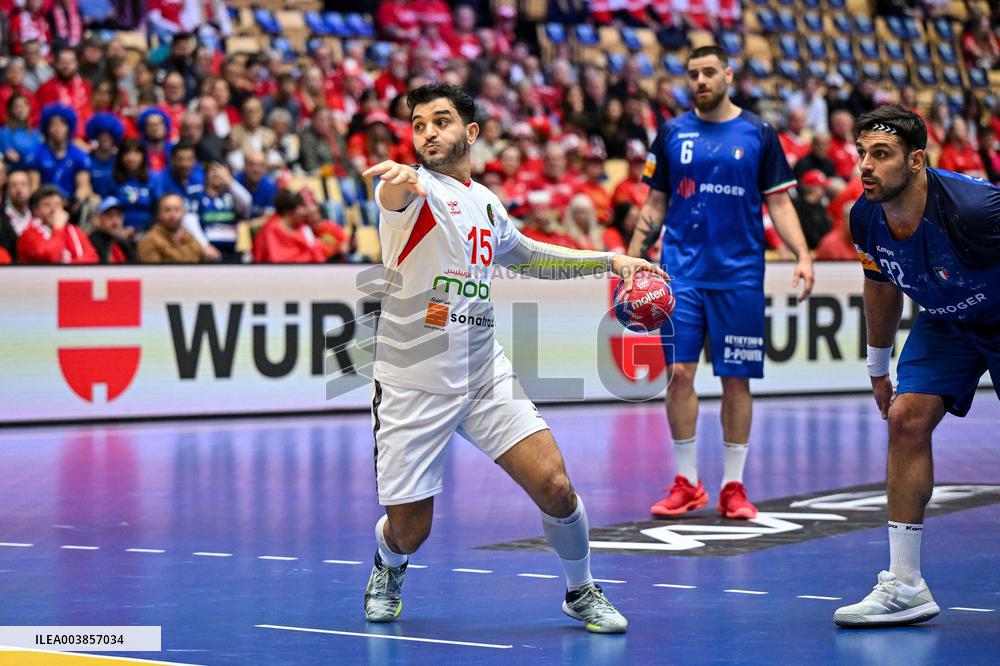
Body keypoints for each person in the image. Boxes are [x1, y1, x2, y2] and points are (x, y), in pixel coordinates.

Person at [359, 83, 664, 634]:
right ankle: (390, 562)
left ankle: (580, 589)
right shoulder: (413, 191)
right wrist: (397, 185)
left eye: (441, 121)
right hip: (413, 379)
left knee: (555, 486)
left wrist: (609, 260)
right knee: (412, 529)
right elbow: (394, 198)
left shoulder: (486, 202)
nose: (428, 132)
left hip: (482, 371)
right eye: (419, 123)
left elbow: (528, 256)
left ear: (470, 133)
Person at [630, 46, 814, 520]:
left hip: (739, 274)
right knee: (680, 374)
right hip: (682, 272)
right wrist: (631, 259)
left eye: (709, 72)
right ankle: (687, 482)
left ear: (728, 74)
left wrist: (803, 253)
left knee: (736, 380)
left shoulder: (759, 132)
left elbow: (780, 204)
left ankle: (733, 485)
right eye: (693, 74)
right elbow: (654, 204)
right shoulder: (671, 132)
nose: (701, 80)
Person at [834, 105, 1000, 627]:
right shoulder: (864, 216)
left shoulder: (977, 209)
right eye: (861, 153)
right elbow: (880, 286)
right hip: (949, 321)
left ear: (916, 161)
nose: (866, 165)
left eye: (880, 155)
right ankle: (906, 586)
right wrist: (878, 366)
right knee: (905, 419)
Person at [17, 185, 98, 264]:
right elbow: (51, 258)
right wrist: (58, 228)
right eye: (46, 205)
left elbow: (93, 259)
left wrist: (69, 263)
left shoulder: (75, 231)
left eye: (57, 204)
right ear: (36, 211)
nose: (53, 209)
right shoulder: (28, 235)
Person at [137, 193, 205, 263]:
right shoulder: (149, 241)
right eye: (167, 210)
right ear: (158, 214)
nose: (172, 215)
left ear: (184, 213)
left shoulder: (191, 240)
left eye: (177, 209)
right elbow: (152, 271)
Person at [111, 139, 155, 232]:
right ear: (120, 157)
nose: (131, 158)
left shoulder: (153, 180)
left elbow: (157, 211)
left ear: (143, 156)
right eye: (127, 153)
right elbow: (107, 210)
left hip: (148, 231)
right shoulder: (112, 180)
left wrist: (143, 231)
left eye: (136, 152)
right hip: (118, 231)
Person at [88, 196, 137, 264]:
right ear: (99, 219)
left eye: (118, 215)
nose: (115, 221)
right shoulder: (92, 242)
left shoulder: (124, 243)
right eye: (110, 216)